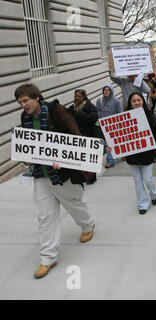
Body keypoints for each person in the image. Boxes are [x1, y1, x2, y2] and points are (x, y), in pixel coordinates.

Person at [15, 83, 95, 279]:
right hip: (41, 176)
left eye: (25, 100)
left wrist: (66, 158)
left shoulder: (57, 111)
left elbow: (76, 137)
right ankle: (48, 258)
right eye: (20, 102)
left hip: (63, 174)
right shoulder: (25, 118)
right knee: (44, 217)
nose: (23, 105)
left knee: (75, 204)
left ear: (37, 97)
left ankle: (87, 225)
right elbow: (29, 143)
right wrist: (27, 156)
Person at [122, 92, 156, 215]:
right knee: (137, 181)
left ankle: (154, 193)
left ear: (143, 101)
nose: (136, 103)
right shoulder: (124, 117)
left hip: (147, 155)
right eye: (134, 101)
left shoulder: (150, 116)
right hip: (132, 156)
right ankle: (143, 204)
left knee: (147, 179)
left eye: (139, 100)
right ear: (130, 103)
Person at [68, 89, 99, 185]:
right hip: (77, 137)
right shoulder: (72, 108)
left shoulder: (90, 107)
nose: (77, 98)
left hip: (88, 136)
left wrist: (80, 113)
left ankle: (92, 177)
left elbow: (93, 119)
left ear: (84, 97)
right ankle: (83, 176)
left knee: (89, 158)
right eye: (76, 96)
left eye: (79, 96)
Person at [96, 84, 122, 168]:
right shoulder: (99, 100)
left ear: (111, 91)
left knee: (117, 142)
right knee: (108, 143)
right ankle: (110, 161)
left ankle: (123, 154)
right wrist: (101, 120)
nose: (106, 91)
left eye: (108, 90)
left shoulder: (116, 101)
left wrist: (118, 124)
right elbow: (98, 111)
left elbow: (120, 113)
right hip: (104, 126)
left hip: (114, 125)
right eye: (105, 90)